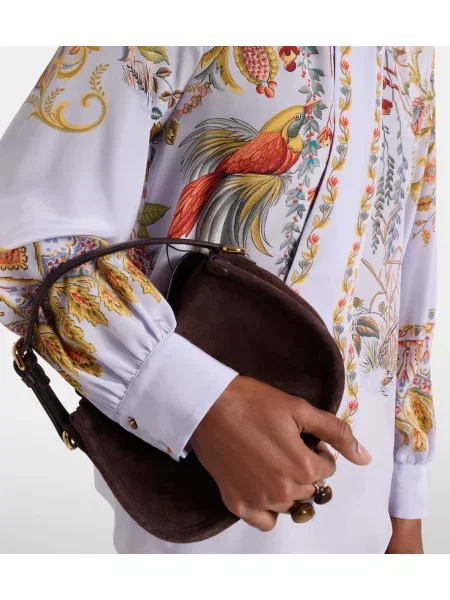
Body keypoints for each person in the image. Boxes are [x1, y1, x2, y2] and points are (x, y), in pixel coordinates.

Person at [0, 46, 436, 554]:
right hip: (196, 505)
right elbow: (22, 234)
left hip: (365, 522)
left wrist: (407, 509)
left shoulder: (413, 51)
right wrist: (198, 401)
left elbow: (409, 280)